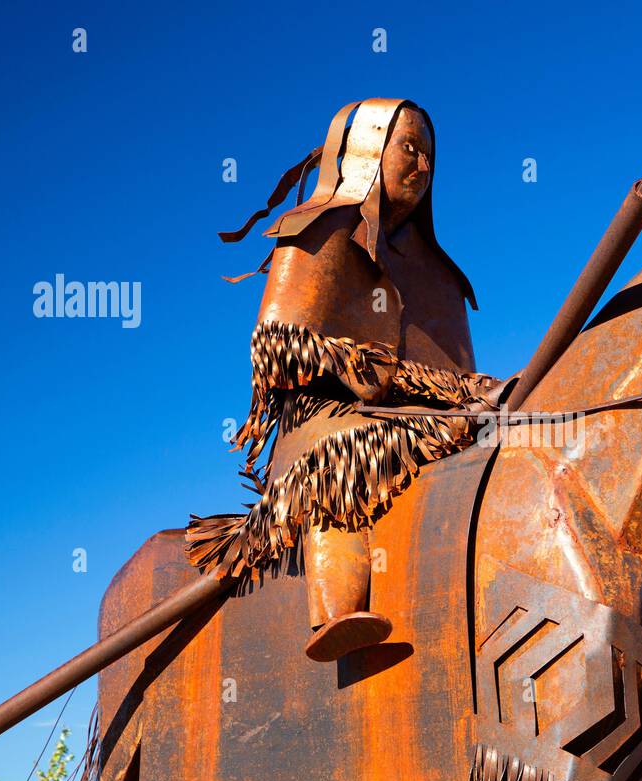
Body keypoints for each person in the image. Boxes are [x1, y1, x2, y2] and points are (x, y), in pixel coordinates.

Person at [187, 98, 500, 663]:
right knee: (349, 453)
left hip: (431, 421)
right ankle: (337, 610)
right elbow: (274, 345)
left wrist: (488, 393)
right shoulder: (318, 230)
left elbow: (461, 380)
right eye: (410, 149)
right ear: (368, 149)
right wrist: (362, 369)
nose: (423, 167)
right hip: (325, 421)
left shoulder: (442, 276)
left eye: (430, 155)